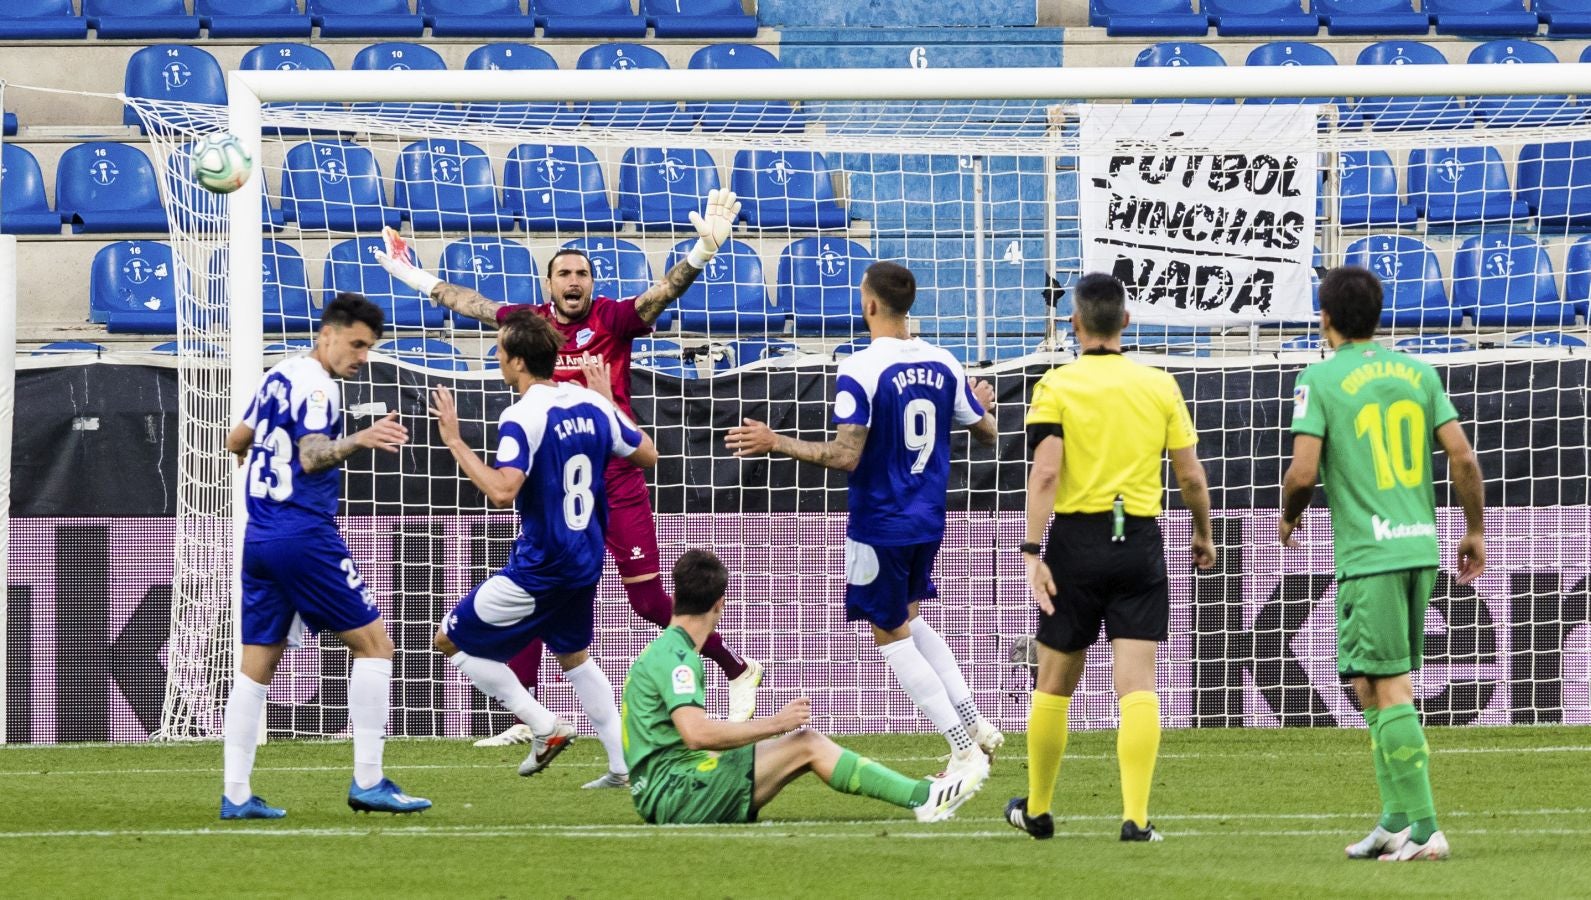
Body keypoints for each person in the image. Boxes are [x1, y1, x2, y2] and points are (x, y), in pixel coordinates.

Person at [374, 190, 764, 756]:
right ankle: (532, 711)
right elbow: (470, 303)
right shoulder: (531, 328)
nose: (574, 281)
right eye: (564, 273)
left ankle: (736, 669)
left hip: (617, 474)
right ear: (550, 283)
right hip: (555, 482)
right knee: (540, 589)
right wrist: (413, 276)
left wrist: (702, 254)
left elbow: (662, 292)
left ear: (591, 281)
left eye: (582, 273)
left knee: (648, 600)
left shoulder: (614, 318)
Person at [725, 261, 1003, 778]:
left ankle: (963, 749)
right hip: (928, 517)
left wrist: (774, 441)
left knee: (889, 632)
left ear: (870, 304)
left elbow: (847, 455)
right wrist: (979, 404)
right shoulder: (944, 361)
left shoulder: (861, 367)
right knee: (910, 618)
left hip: (880, 521)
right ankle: (976, 723)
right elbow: (988, 432)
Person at [1281, 265, 1486, 862]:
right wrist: (1473, 529)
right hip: (1419, 546)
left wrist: (1290, 515)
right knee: (1367, 684)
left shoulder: (1319, 378)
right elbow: (1463, 457)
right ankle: (1395, 820)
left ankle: (1426, 831)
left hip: (1371, 556)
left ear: (1325, 318)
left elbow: (1301, 472)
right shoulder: (1419, 372)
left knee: (1390, 688)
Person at [1009, 272, 1216, 842]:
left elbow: (1046, 472)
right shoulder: (1158, 384)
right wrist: (1202, 533)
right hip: (1140, 543)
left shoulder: (1056, 385)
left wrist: (1033, 551)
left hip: (1076, 542)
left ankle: (1039, 809)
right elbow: (1191, 474)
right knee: (1137, 685)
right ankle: (1135, 818)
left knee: (1054, 683)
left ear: (1073, 323)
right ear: (1126, 321)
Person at [220, 293, 430, 819]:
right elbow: (314, 457)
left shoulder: (280, 374)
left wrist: (272, 460)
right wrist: (361, 437)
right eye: (357, 345)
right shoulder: (318, 387)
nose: (361, 357)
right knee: (375, 646)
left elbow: (234, 439)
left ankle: (237, 794)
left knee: (255, 668)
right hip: (302, 534)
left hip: (261, 538)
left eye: (369, 348)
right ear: (328, 333)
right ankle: (369, 781)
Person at [430, 311, 659, 784]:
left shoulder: (520, 416)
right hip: (586, 558)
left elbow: (502, 490)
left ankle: (541, 725)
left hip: (542, 567)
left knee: (448, 639)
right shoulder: (588, 403)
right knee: (574, 656)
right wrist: (608, 402)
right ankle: (621, 767)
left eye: (498, 351)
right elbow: (648, 455)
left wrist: (454, 442)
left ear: (515, 362)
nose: (497, 357)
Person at [621, 549, 986, 825]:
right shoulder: (678, 660)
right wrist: (777, 724)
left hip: (669, 788)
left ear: (676, 596)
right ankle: (923, 798)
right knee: (804, 742)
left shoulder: (666, 649)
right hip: (677, 794)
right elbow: (696, 734)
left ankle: (923, 797)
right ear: (721, 603)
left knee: (800, 746)